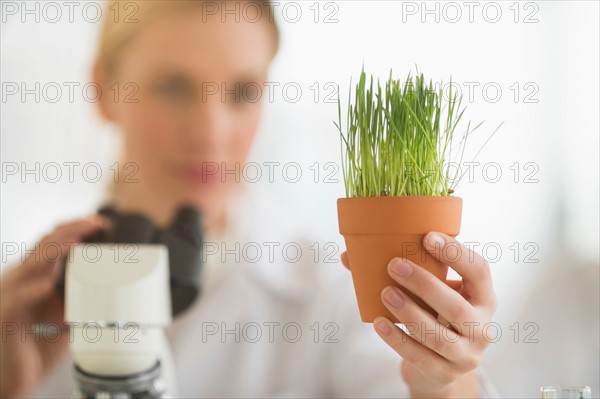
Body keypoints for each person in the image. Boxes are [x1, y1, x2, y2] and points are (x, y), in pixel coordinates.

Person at [0, 1, 499, 397]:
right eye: (173, 87)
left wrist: (442, 382)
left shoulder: (331, 288)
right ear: (103, 89)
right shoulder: (25, 308)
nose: (210, 132)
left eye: (241, 92)